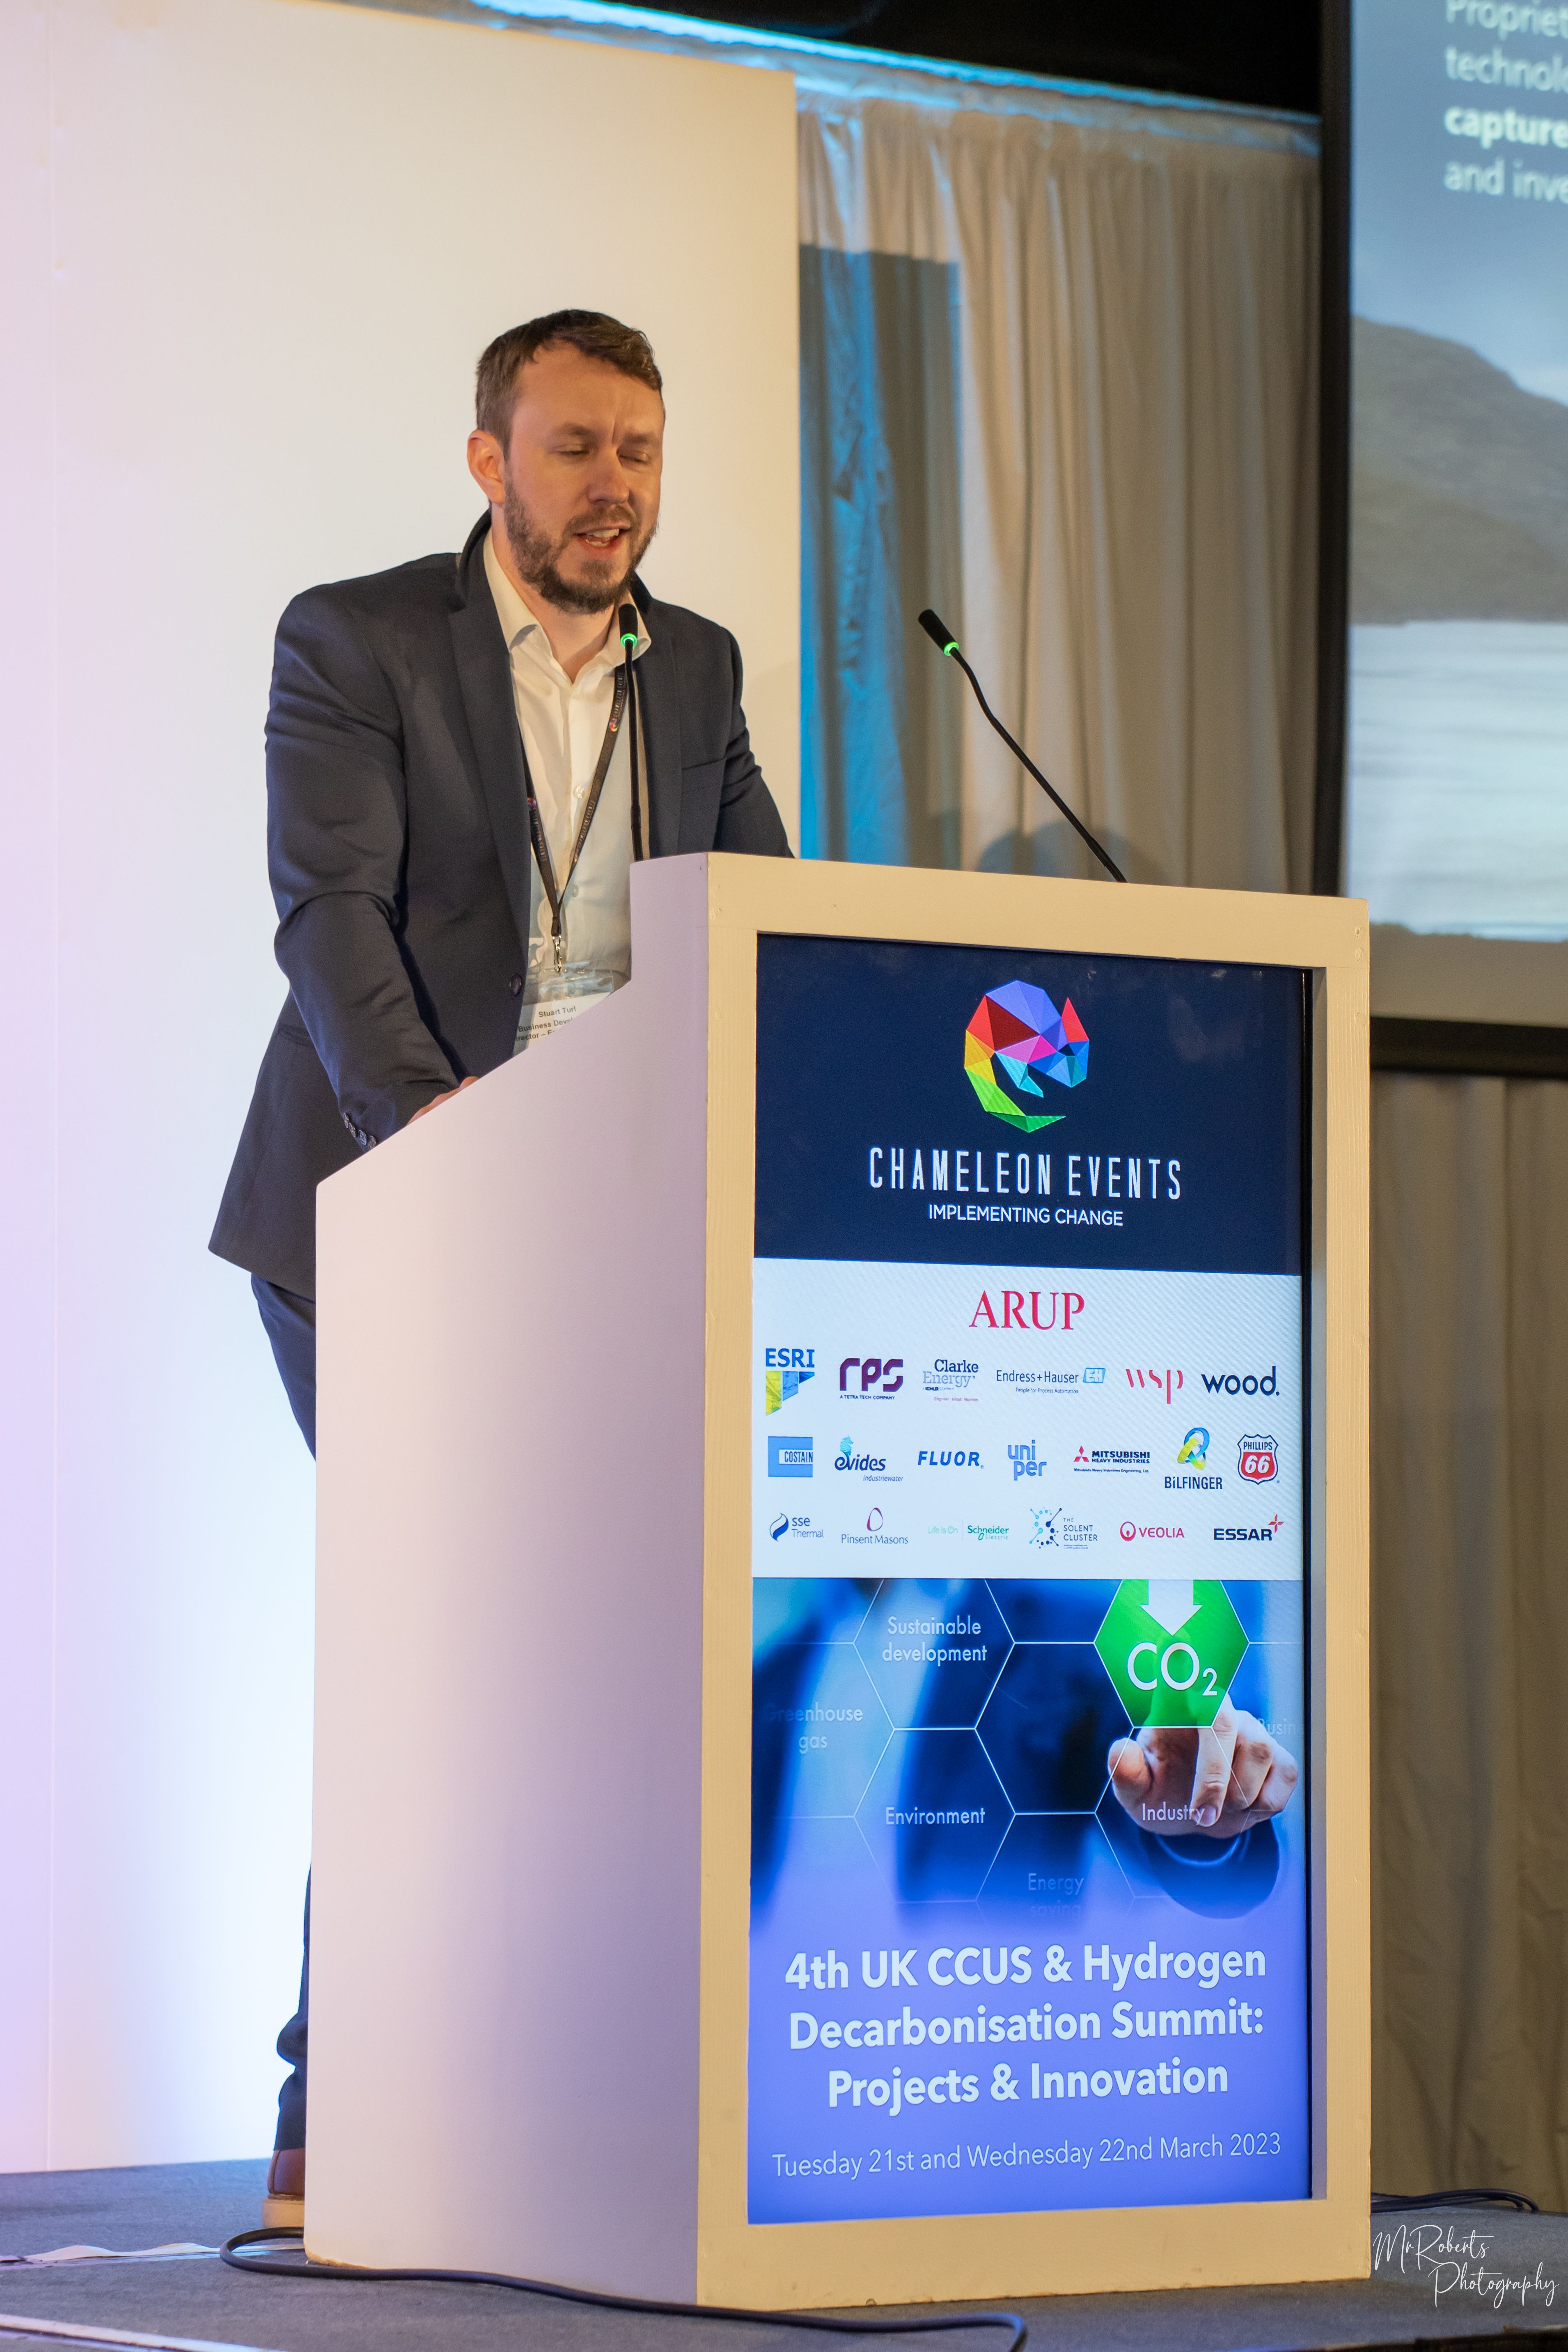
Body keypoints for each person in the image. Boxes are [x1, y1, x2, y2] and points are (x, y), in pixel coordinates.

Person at [211, 309, 791, 2223]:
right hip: (380, 1215)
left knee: (588, 1657)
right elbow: (331, 918)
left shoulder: (694, 667)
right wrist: (444, 1141)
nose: (612, 486)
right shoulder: (358, 640)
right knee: (435, 1629)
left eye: (640, 449)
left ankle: (553, 2090)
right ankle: (336, 2106)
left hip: (594, 1242)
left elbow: (762, 916)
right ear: (490, 461)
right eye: (573, 448)